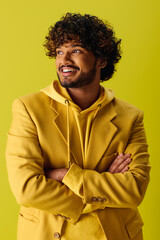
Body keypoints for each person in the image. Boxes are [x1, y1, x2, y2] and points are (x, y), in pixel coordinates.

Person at [6, 13, 151, 240]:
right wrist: (104, 186)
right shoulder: (28, 108)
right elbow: (27, 190)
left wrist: (66, 175)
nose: (64, 60)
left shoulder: (131, 117)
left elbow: (134, 190)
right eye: (59, 52)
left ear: (101, 60)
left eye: (76, 50)